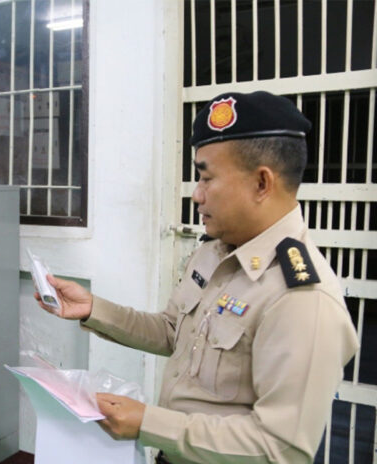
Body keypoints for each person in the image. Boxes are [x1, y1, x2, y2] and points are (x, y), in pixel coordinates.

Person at [34, 91, 359, 464]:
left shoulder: (301, 297)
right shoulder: (215, 252)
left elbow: (280, 446)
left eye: (206, 178)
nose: (196, 194)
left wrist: (148, 423)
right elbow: (174, 331)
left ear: (261, 184)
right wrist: (94, 309)